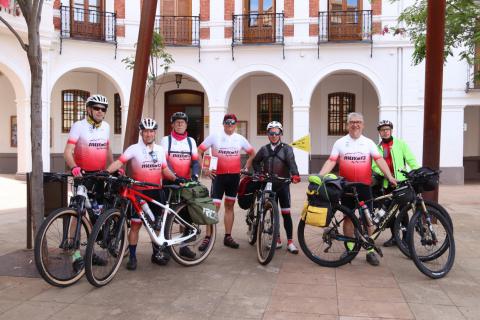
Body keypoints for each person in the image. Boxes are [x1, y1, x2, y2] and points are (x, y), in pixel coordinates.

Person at [319, 112, 397, 266]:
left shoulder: (368, 142)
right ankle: (349, 249)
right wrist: (320, 177)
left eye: (358, 122)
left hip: (364, 187)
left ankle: (369, 250)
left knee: (368, 220)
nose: (355, 125)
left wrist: (389, 177)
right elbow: (331, 161)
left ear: (363, 125)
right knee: (348, 218)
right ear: (348, 125)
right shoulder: (340, 143)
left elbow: (379, 160)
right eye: (352, 122)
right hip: (346, 186)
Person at [107, 118, 181, 270]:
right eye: (146, 131)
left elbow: (165, 170)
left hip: (156, 192)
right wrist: (106, 172)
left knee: (157, 226)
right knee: (135, 226)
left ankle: (156, 254)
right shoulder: (133, 148)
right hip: (138, 193)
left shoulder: (160, 150)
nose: (148, 134)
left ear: (155, 133)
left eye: (151, 131)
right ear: (141, 132)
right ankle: (132, 257)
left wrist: (175, 178)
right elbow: (119, 162)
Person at [63, 94, 113, 271]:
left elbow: (107, 149)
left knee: (94, 215)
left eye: (103, 109)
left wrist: (113, 168)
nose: (100, 111)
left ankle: (90, 253)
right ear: (89, 109)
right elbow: (67, 151)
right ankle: (75, 255)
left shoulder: (106, 127)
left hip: (99, 177)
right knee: (78, 214)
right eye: (97, 108)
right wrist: (74, 167)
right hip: (82, 176)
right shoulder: (79, 126)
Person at [197, 113, 256, 249]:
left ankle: (228, 237)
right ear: (223, 124)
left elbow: (252, 153)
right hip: (218, 177)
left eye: (232, 124)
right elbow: (199, 151)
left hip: (234, 177)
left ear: (235, 125)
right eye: (227, 123)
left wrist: (246, 166)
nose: (230, 126)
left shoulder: (240, 138)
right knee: (214, 207)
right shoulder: (214, 136)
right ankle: (208, 237)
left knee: (229, 206)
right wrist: (205, 168)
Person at [252, 121, 301, 254]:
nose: (274, 135)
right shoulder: (264, 149)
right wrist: (259, 173)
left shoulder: (287, 149)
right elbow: (255, 162)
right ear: (267, 134)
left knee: (286, 213)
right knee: (272, 212)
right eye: (271, 133)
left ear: (281, 134)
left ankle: (290, 241)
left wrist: (295, 175)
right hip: (268, 184)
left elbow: (292, 163)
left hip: (283, 184)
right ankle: (277, 239)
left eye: (276, 133)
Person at [372, 120, 419, 247]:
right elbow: (374, 166)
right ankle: (394, 237)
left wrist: (417, 172)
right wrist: (387, 175)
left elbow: (411, 159)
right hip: (387, 184)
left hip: (402, 183)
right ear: (379, 132)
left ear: (391, 131)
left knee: (403, 212)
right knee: (390, 213)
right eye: (382, 130)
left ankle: (405, 239)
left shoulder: (400, 144)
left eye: (387, 129)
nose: (385, 131)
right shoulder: (377, 148)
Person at [160, 112, 200, 181]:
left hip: (186, 181)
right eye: (177, 122)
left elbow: (195, 162)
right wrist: (175, 177)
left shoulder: (191, 141)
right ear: (172, 125)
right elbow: (165, 162)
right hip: (169, 180)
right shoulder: (166, 140)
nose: (180, 125)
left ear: (186, 125)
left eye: (182, 122)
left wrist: (195, 175)